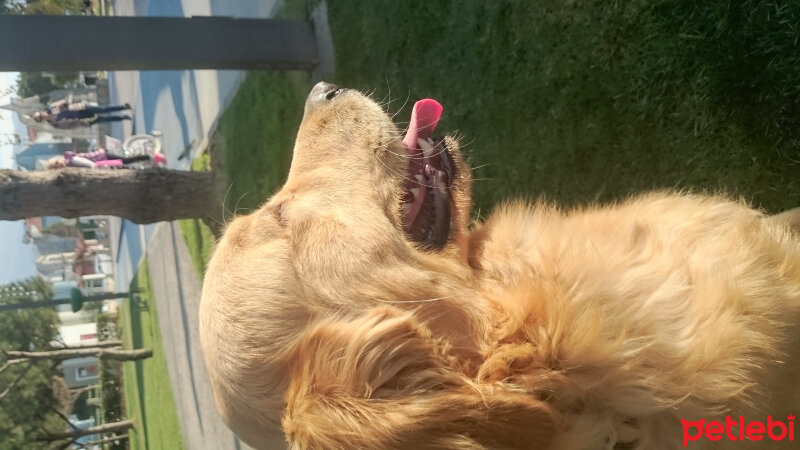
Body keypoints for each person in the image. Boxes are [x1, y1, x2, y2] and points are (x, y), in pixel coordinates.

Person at [32, 99, 132, 129]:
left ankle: (123, 107)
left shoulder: (51, 108)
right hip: (82, 119)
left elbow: (64, 101)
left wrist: (58, 107)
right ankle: (123, 117)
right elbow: (69, 126)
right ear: (42, 121)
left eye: (40, 115)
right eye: (40, 118)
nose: (42, 117)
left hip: (81, 108)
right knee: (103, 119)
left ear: (41, 112)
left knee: (103, 109)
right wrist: (81, 124)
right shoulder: (54, 123)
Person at [46, 148, 166, 169]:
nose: (58, 165)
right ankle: (151, 161)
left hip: (103, 158)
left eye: (56, 163)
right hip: (104, 161)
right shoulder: (69, 164)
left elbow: (87, 163)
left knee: (126, 160)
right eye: (55, 167)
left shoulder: (70, 160)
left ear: (59, 158)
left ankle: (152, 156)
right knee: (125, 164)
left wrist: (92, 166)